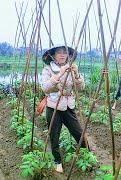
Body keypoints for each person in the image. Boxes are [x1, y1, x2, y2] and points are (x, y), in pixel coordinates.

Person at [41, 45, 87, 173]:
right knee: (54, 136)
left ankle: (86, 155)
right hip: (53, 106)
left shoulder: (72, 68)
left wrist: (76, 74)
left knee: (78, 133)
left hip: (68, 106)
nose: (62, 55)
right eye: (59, 52)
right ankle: (58, 161)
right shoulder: (48, 69)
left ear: (68, 55)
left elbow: (81, 88)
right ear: (53, 55)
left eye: (64, 53)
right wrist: (61, 73)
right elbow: (45, 88)